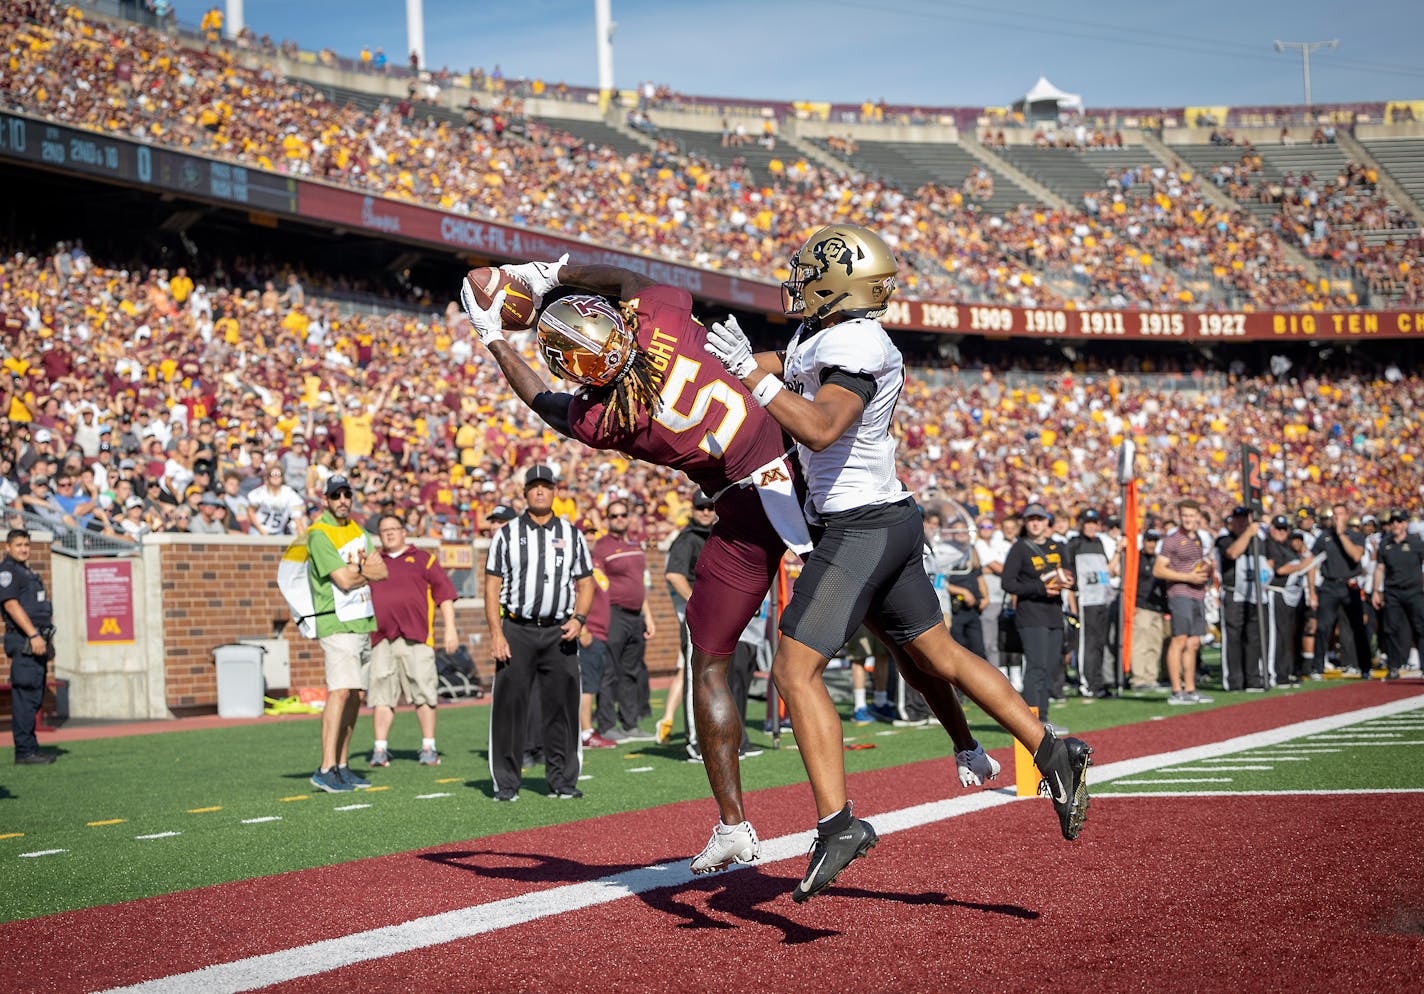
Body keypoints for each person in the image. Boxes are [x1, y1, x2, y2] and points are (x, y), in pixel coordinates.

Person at [464, 255, 1000, 880]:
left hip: (746, 511)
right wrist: (549, 272)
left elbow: (545, 400)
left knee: (711, 656)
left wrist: (495, 339)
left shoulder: (607, 417)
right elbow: (628, 282)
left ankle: (733, 824)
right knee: (900, 630)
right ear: (618, 321)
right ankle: (965, 744)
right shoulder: (662, 319)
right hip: (800, 479)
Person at [702, 222, 1093, 901]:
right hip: (883, 519)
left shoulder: (858, 343)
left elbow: (822, 425)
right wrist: (694, 366)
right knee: (938, 654)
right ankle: (1051, 747)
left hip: (862, 527)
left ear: (837, 285)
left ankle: (837, 825)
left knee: (796, 671)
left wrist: (748, 377)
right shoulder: (822, 336)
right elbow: (774, 365)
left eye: (807, 276)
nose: (795, 287)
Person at [484, 465, 593, 801]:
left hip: (559, 631)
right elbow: (491, 587)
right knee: (509, 707)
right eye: (534, 487)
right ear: (525, 493)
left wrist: (579, 619)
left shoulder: (572, 534)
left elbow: (586, 582)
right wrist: (496, 633)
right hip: (516, 629)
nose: (540, 492)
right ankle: (506, 783)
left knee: (562, 706)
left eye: (546, 486)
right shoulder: (505, 534)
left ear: (555, 491)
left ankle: (562, 781)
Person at [306, 474, 388, 793]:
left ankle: (342, 764)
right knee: (340, 691)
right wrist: (360, 572)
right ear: (325, 500)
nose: (342, 500)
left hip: (362, 620)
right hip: (336, 621)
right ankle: (325, 767)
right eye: (335, 495)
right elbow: (342, 580)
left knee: (356, 695)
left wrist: (358, 572)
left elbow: (382, 570)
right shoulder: (318, 533)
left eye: (346, 494)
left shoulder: (358, 531)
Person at [368, 513, 458, 767]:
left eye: (394, 528)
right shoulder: (374, 561)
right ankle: (380, 749)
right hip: (382, 638)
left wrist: (450, 629)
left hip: (416, 636)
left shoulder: (423, 560)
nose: (389, 533)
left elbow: (445, 596)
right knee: (382, 694)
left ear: (404, 531)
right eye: (384, 530)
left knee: (424, 691)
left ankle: (428, 746)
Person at [591, 498, 658, 741]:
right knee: (609, 671)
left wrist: (647, 616)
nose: (619, 519)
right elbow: (597, 585)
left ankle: (630, 723)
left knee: (631, 671)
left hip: (635, 615)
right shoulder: (601, 547)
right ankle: (607, 724)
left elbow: (641, 584)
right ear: (607, 520)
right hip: (613, 613)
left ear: (629, 518)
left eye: (622, 515)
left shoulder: (636, 545)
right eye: (614, 516)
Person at [1002, 503, 1074, 719]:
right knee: (1036, 668)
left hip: (1054, 614)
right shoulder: (1019, 548)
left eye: (1039, 519)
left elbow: (1072, 576)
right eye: (1031, 519)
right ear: (1025, 522)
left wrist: (1067, 581)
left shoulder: (1058, 547)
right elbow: (1008, 583)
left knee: (1050, 668)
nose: (1035, 523)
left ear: (1047, 523)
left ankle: (1043, 719)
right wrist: (1041, 587)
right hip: (1031, 615)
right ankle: (1032, 720)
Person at [661, 492, 717, 751]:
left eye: (709, 507)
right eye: (700, 508)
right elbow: (674, 575)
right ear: (692, 510)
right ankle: (694, 740)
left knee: (714, 676)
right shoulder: (687, 539)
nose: (705, 512)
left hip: (714, 614)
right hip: (694, 616)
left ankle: (713, 735)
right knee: (696, 675)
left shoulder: (717, 534)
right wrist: (696, 601)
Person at [1, 529, 57, 764]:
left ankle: (31, 747)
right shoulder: (8, 571)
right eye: (18, 545)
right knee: (25, 695)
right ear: (8, 548)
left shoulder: (27, 572)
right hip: (25, 641)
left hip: (36, 642)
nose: (23, 549)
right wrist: (34, 635)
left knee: (34, 695)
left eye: (26, 544)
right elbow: (12, 605)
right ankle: (24, 752)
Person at [1156, 500, 1215, 705]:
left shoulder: (1198, 538)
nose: (1188, 519)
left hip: (1198, 594)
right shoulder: (1172, 540)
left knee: (1194, 643)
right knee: (1179, 640)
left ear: (1198, 516)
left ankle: (1190, 689)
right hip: (1180, 594)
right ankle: (1176, 690)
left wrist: (1205, 568)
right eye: (1185, 516)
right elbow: (1159, 569)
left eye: (1191, 515)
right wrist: (1188, 577)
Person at [1066, 508, 1116, 698]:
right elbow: (1069, 577)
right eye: (1087, 523)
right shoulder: (1074, 544)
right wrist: (1073, 604)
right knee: (1086, 644)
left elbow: (1105, 571)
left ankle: (1097, 682)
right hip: (1084, 601)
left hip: (1101, 600)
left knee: (1098, 644)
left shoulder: (1099, 543)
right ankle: (1085, 683)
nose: (1091, 527)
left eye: (1094, 523)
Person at [1372, 509, 1424, 680]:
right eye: (1393, 521)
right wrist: (1376, 591)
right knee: (1390, 629)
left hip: (1414, 591)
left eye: (1399, 521)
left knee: (1420, 627)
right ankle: (1394, 666)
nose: (1395, 524)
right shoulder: (1385, 544)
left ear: (1405, 524)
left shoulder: (1416, 542)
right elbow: (1380, 568)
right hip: (1393, 591)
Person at [1129, 524, 1169, 692]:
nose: (1152, 544)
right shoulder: (1136, 559)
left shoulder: (1158, 559)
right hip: (1141, 606)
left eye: (1155, 541)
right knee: (1140, 644)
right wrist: (1131, 605)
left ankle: (1151, 677)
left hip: (1157, 606)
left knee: (1154, 644)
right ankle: (1138, 678)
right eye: (1149, 541)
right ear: (1143, 541)